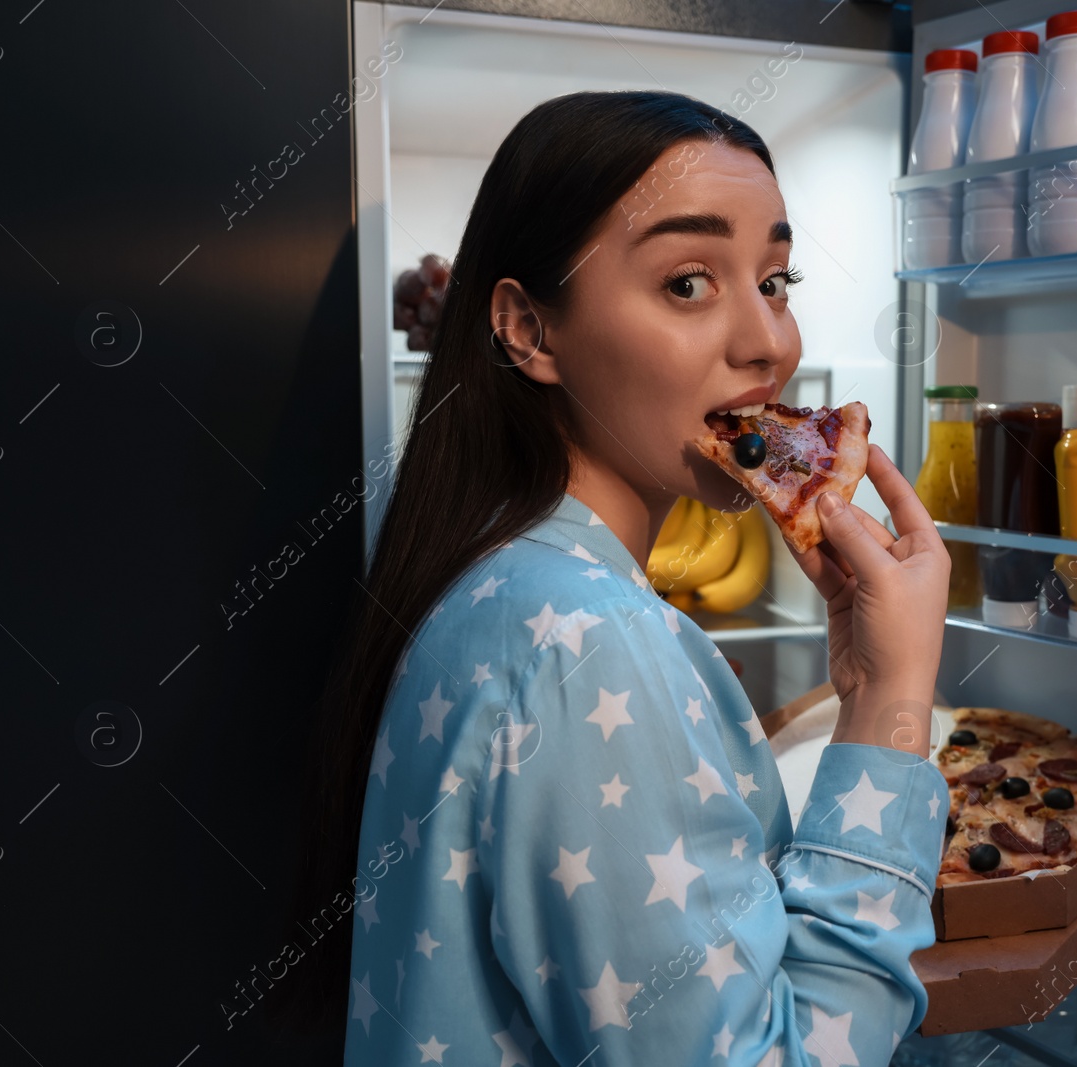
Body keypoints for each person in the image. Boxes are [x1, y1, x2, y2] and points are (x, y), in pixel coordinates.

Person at [292, 89, 952, 1066]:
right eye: (688, 281)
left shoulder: (496, 574)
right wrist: (892, 706)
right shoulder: (584, 637)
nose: (769, 341)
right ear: (529, 329)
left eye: (775, 277)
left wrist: (857, 676)